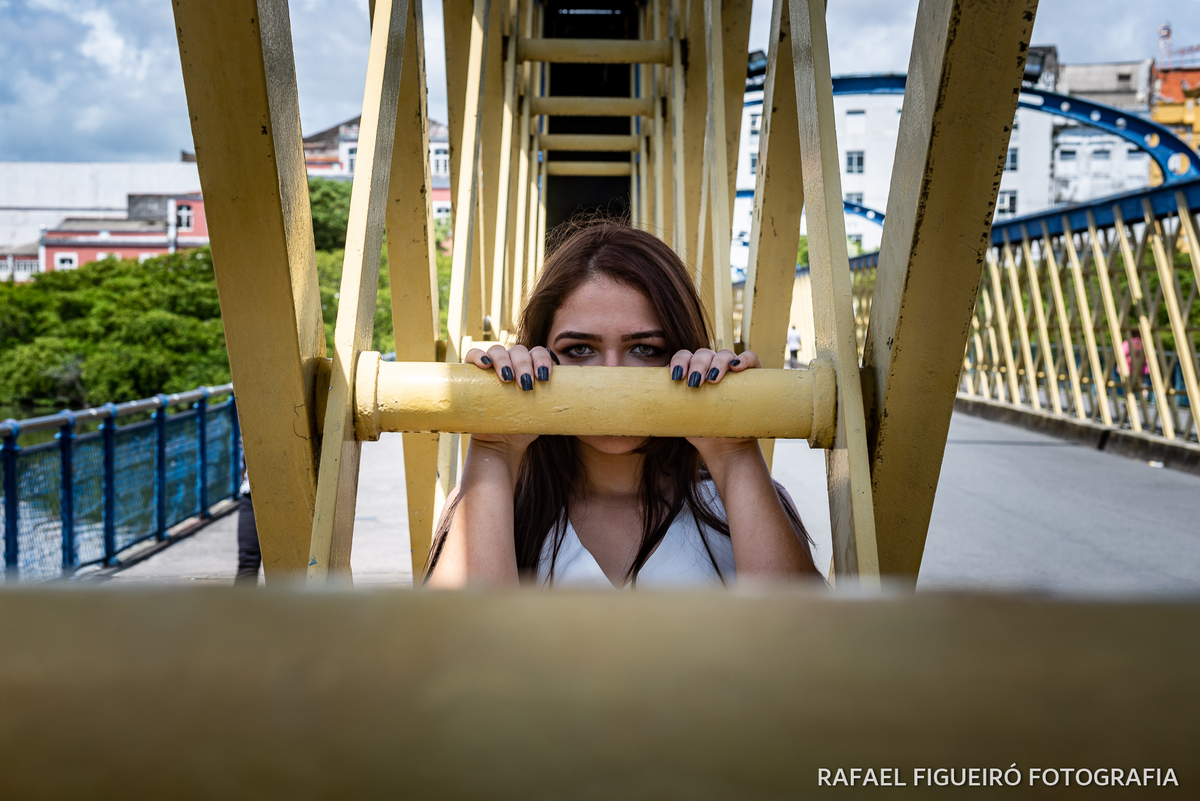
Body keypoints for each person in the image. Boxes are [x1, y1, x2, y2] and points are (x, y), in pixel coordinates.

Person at [425, 221, 821, 589]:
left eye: (645, 349)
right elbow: (462, 653)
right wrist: (495, 448)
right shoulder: (498, 498)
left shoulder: (736, 501)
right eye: (579, 349)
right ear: (539, 354)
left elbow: (806, 653)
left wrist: (734, 454)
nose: (612, 377)